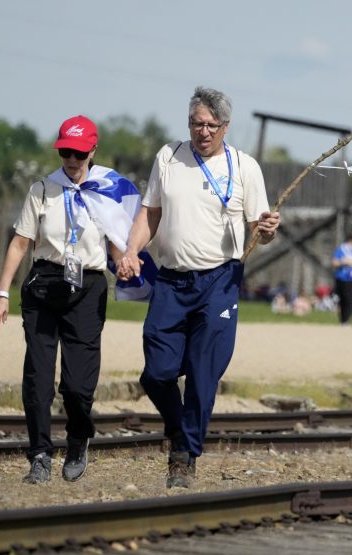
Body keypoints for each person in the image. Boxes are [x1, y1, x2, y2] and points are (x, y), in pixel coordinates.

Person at [117, 87, 280, 488]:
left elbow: (260, 230)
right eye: (196, 123)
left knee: (204, 374)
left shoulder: (245, 167)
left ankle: (185, 456)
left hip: (219, 281)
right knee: (156, 373)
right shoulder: (168, 157)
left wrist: (267, 230)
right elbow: (149, 213)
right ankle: (178, 428)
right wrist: (132, 250)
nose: (202, 132)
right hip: (171, 280)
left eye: (210, 125)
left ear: (225, 127)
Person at [0, 115, 133, 484]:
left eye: (79, 153)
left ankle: (78, 438)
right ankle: (39, 454)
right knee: (38, 377)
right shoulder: (41, 189)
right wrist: (2, 294)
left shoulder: (105, 190)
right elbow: (20, 243)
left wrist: (127, 267)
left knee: (77, 385)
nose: (71, 159)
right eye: (65, 151)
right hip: (45, 283)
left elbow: (118, 247)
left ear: (93, 151)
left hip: (88, 286)